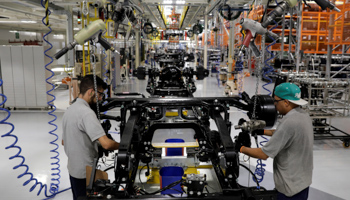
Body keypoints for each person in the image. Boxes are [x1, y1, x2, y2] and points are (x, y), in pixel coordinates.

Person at [236, 82, 313, 200]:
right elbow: (284, 134)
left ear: (286, 102)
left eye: (275, 102)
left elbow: (263, 154)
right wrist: (261, 132)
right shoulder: (302, 115)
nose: (275, 105)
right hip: (302, 181)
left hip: (290, 188)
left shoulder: (289, 122)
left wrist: (240, 148)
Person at [62, 75, 119, 200]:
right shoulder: (87, 113)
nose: (100, 98)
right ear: (91, 92)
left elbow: (64, 141)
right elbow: (107, 144)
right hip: (85, 172)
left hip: (73, 169)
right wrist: (124, 145)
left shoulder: (70, 109)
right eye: (99, 94)